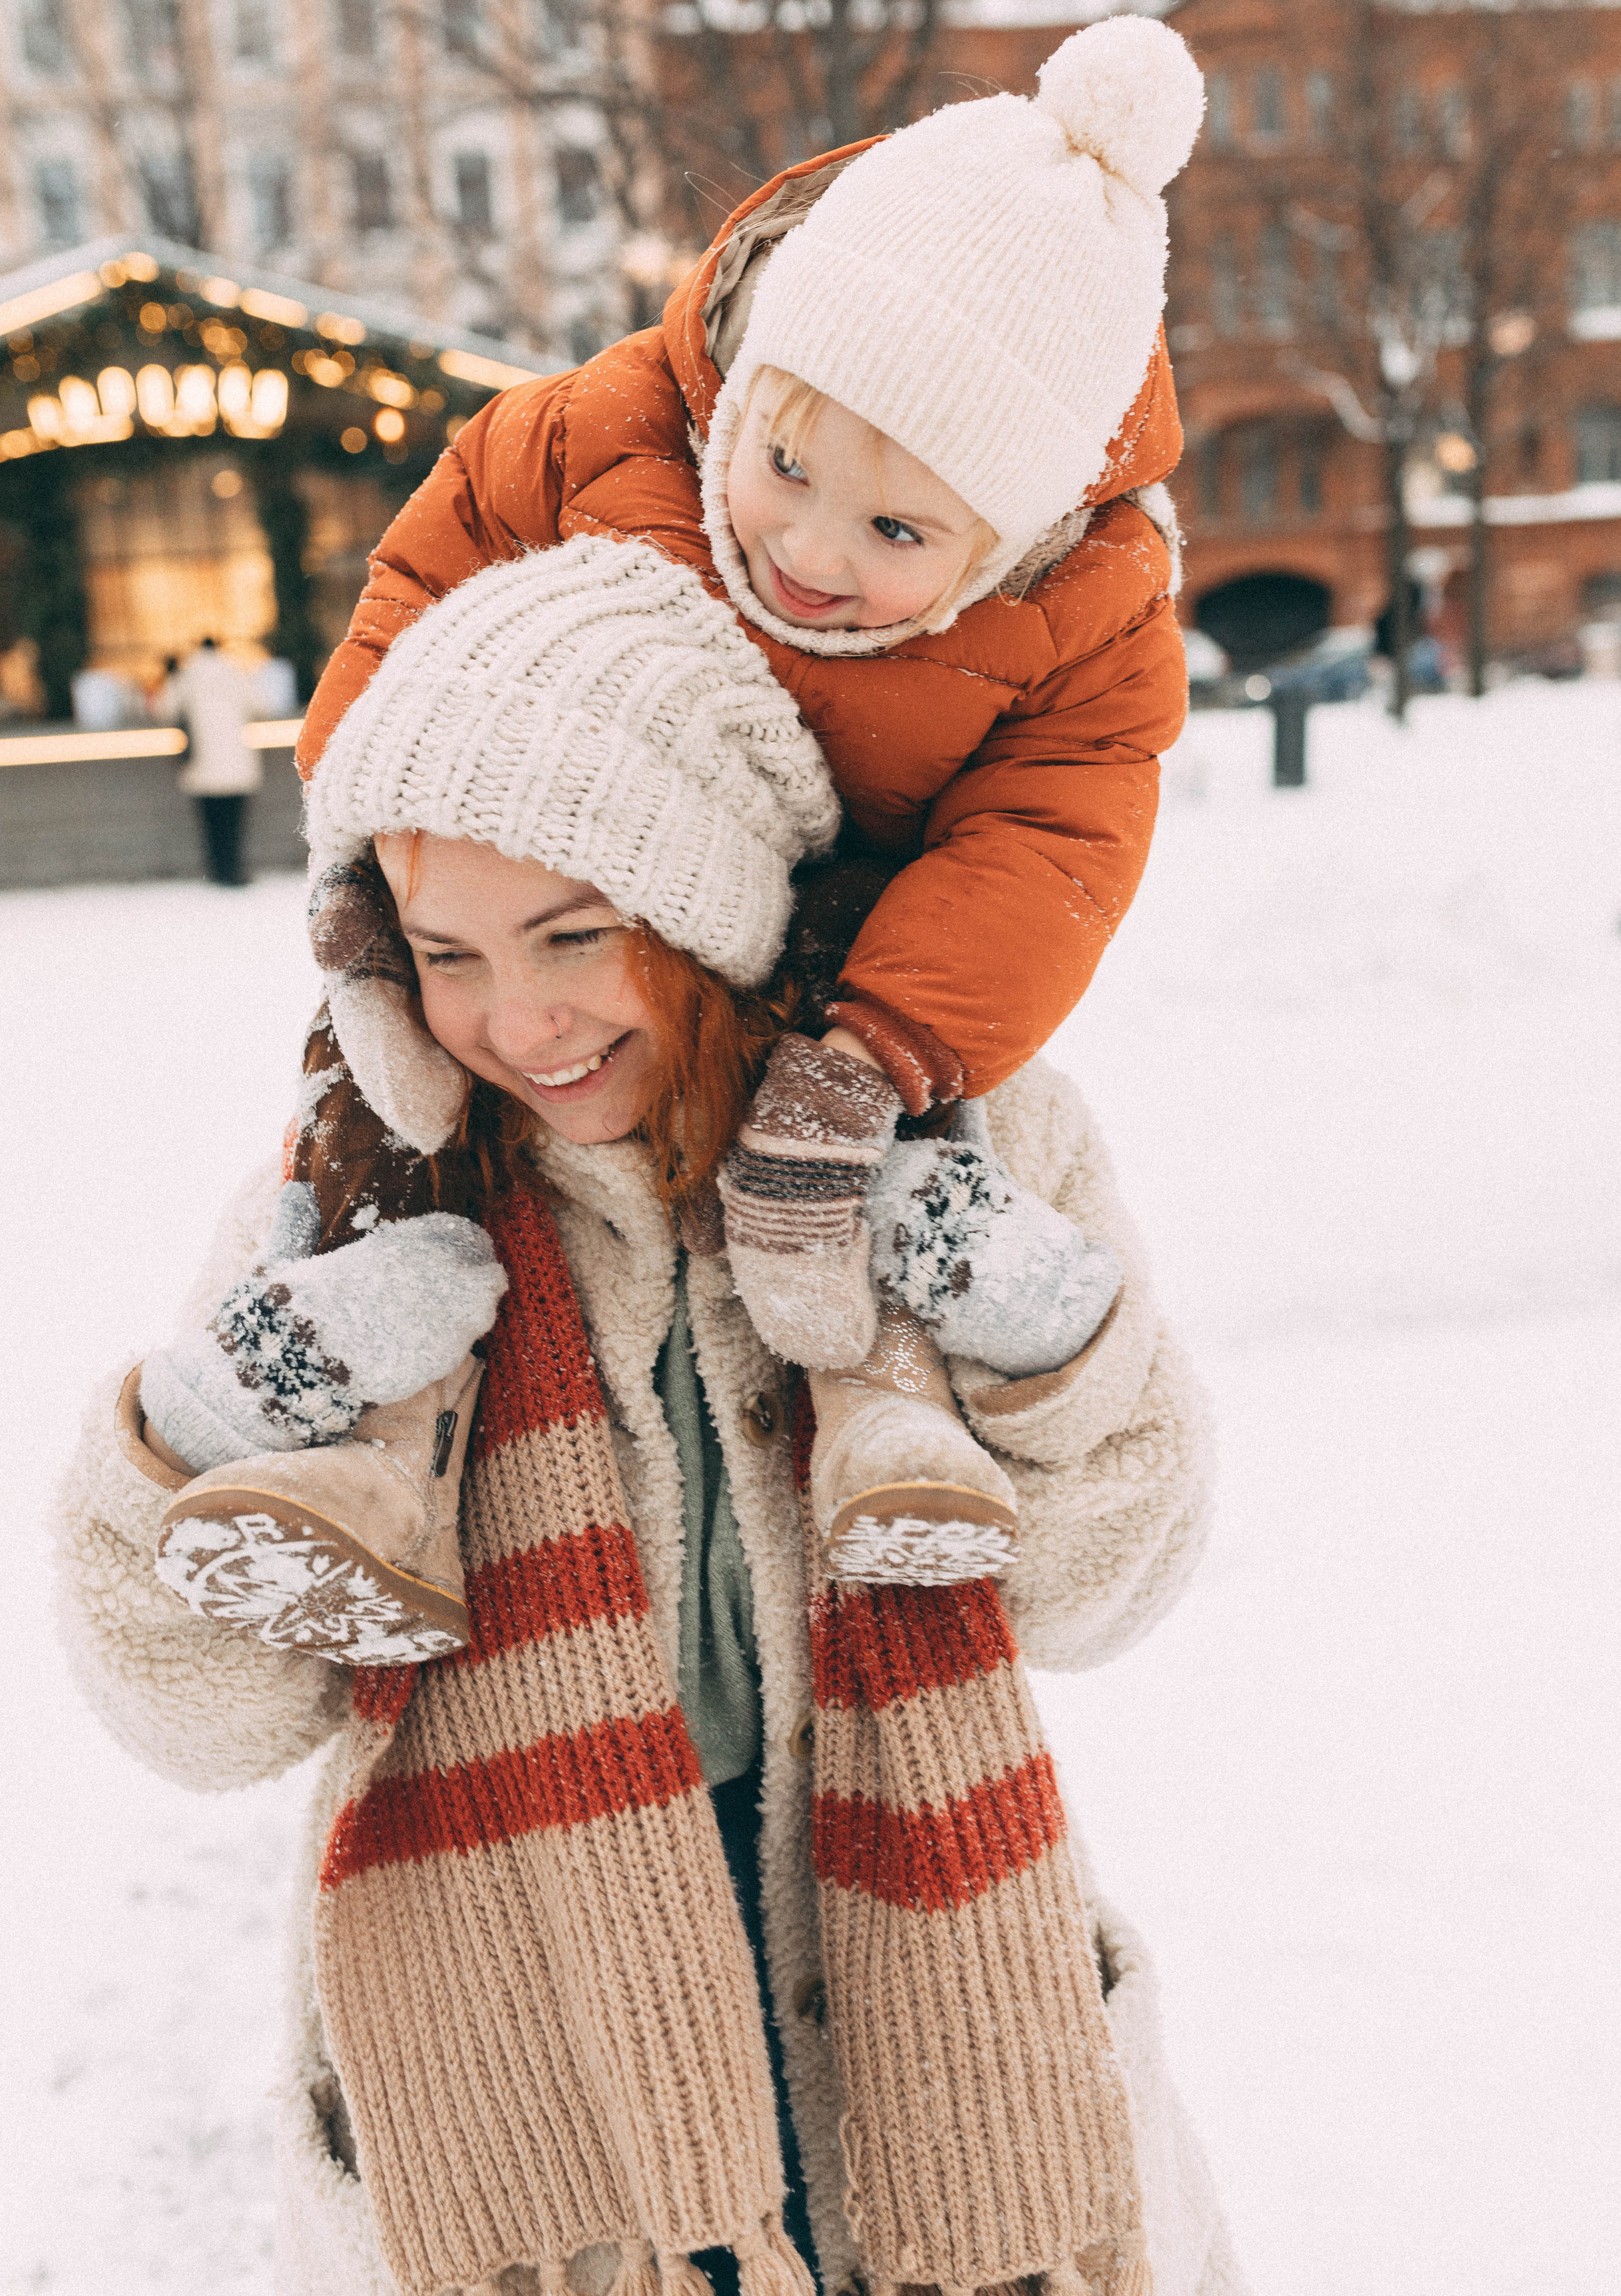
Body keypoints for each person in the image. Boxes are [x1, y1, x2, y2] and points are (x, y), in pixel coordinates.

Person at [56, 561, 1243, 2296]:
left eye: (571, 937)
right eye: (446, 955)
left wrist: (1053, 1337)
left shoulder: (955, 1137)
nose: (516, 1024)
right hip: (525, 2005)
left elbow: (1096, 1595)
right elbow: (200, 1717)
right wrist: (201, 1420)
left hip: (898, 1950)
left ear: (700, 909)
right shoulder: (355, 1207)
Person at [291, 13, 1205, 1574]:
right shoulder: (602, 428)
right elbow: (416, 587)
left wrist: (879, 1048)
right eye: (784, 461)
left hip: (848, 950)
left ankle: (884, 1410)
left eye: (900, 533)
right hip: (550, 884)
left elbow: (1051, 840)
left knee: (866, 1163)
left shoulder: (1085, 606)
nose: (808, 550)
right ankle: (359, 1451)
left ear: (1009, 534)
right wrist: (375, 884)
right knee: (381, 1126)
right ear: (750, 368)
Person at [154, 635, 266, 886]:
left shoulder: (186, 675)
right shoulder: (235, 670)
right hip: (237, 762)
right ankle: (236, 870)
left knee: (212, 825)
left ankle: (218, 871)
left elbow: (165, 709)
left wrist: (170, 675)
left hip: (202, 766)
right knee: (234, 824)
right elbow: (260, 704)